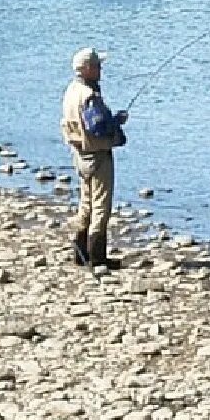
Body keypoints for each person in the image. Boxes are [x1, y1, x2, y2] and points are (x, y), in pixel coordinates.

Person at [59, 47, 127, 268]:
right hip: (97, 155)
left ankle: (80, 253)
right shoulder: (88, 96)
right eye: (97, 66)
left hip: (80, 154)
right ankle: (97, 258)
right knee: (100, 206)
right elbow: (97, 126)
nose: (101, 69)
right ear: (87, 69)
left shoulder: (71, 90)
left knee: (86, 203)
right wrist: (116, 121)